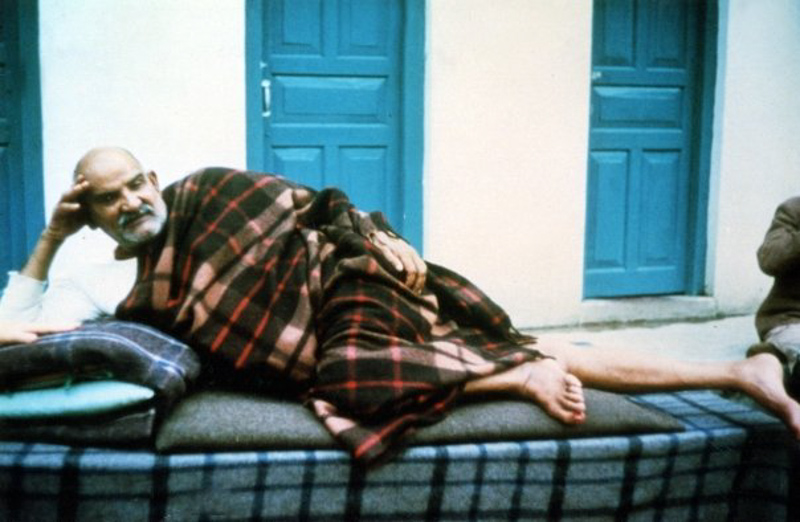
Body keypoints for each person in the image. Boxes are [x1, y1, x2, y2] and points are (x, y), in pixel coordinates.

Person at [5, 146, 800, 464]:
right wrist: (50, 238)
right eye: (108, 199)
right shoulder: (106, 285)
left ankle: (517, 376)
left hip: (351, 282)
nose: (132, 202)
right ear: (90, 213)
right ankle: (740, 372)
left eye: (135, 183)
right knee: (372, 376)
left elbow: (320, 207)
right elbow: (14, 321)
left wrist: (385, 239)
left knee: (356, 374)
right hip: (309, 339)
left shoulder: (208, 189)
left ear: (153, 177)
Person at [749, 196, 800, 395]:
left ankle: (776, 358)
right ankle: (777, 363)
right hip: (791, 317)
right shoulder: (794, 209)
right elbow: (769, 260)